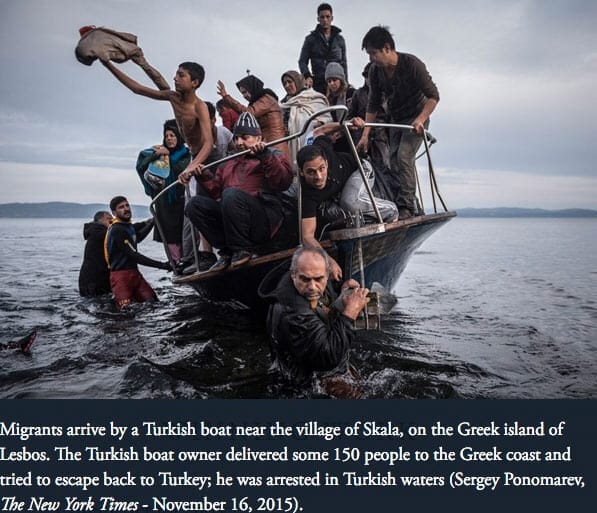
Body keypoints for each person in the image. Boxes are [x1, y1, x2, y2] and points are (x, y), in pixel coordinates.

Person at [184, 112, 293, 272]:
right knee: (194, 205)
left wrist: (264, 155)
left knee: (231, 194)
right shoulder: (228, 162)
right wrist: (203, 176)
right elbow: (217, 192)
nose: (239, 142)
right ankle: (227, 252)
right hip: (233, 220)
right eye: (236, 138)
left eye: (245, 137)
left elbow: (282, 181)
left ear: (258, 138)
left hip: (262, 220)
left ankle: (242, 250)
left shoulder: (273, 154)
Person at [260, 246, 368, 396]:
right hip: (310, 381)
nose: (312, 287)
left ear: (327, 274)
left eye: (318, 279)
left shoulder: (305, 289)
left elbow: (319, 314)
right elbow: (328, 356)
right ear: (293, 275)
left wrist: (340, 300)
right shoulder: (294, 313)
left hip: (321, 367)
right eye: (305, 279)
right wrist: (350, 312)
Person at [297, 121, 398, 280]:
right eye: (311, 172)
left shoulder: (322, 149)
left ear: (326, 163)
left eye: (321, 169)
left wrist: (345, 123)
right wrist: (327, 261)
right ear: (302, 173)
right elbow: (307, 237)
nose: (318, 176)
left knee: (349, 202)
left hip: (360, 169)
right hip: (338, 191)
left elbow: (320, 131)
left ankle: (391, 209)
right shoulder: (307, 193)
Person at [357, 25, 440, 219]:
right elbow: (373, 105)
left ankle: (407, 207)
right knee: (392, 160)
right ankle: (397, 201)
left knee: (404, 156)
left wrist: (420, 120)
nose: (371, 59)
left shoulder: (412, 64)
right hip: (396, 118)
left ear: (387, 48)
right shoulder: (375, 72)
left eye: (373, 53)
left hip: (417, 118)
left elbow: (433, 96)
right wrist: (365, 135)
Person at [135, 120, 191, 265]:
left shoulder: (186, 154)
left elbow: (181, 168)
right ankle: (175, 262)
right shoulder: (158, 153)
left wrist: (168, 158)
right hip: (163, 201)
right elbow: (141, 166)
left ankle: (188, 258)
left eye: (172, 135)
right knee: (169, 233)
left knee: (184, 231)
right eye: (166, 136)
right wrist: (157, 154)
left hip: (180, 198)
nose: (169, 139)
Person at [104, 196, 170, 309]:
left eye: (127, 205)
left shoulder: (127, 226)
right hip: (121, 278)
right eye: (121, 207)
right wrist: (162, 265)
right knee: (126, 312)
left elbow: (137, 238)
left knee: (153, 303)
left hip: (135, 275)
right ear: (114, 213)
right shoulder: (117, 230)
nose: (126, 209)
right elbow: (133, 255)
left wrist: (152, 223)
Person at [217, 74, 288, 158]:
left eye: (245, 92)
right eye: (242, 93)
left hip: (275, 143)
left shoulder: (266, 99)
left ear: (252, 88)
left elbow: (248, 112)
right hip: (266, 143)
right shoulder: (260, 101)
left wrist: (226, 97)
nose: (244, 96)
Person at [279, 70, 331, 169]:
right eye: (284, 83)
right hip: (290, 147)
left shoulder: (313, 97)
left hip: (312, 144)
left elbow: (326, 118)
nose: (287, 85)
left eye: (290, 81)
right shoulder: (284, 104)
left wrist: (320, 122)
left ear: (297, 81)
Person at [299, 3, 348, 95]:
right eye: (322, 17)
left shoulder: (340, 40)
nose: (325, 20)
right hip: (318, 83)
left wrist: (345, 82)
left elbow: (344, 63)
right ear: (318, 19)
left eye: (327, 16)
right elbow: (302, 61)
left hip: (337, 84)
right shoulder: (310, 39)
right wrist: (307, 76)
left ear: (332, 18)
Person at [79, 210, 113, 297]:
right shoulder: (100, 232)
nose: (112, 221)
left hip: (90, 279)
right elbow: (121, 232)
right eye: (109, 219)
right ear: (100, 220)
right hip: (93, 280)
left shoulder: (97, 232)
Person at [324, 61, 356, 152]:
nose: (332, 84)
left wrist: (341, 131)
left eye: (334, 80)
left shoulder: (351, 93)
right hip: (337, 139)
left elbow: (354, 114)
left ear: (341, 80)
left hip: (351, 135)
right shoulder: (330, 99)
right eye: (329, 81)